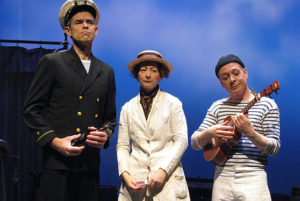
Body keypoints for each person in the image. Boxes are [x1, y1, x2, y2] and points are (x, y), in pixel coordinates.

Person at [22, 0, 116, 201]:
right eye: (79, 22)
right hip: (57, 165)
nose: (85, 26)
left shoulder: (106, 71)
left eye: (90, 22)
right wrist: (54, 141)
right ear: (67, 30)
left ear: (97, 30)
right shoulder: (52, 62)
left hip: (90, 165)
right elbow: (31, 109)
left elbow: (110, 118)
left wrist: (104, 135)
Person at [191, 54, 280, 201]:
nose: (231, 80)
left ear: (245, 73)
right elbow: (195, 143)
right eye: (225, 77)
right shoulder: (217, 107)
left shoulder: (267, 105)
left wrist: (250, 132)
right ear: (221, 83)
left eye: (235, 73)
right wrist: (209, 132)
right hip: (222, 178)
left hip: (253, 177)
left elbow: (274, 148)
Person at [117, 50, 190, 201]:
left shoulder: (173, 103)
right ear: (137, 74)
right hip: (135, 182)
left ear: (161, 75)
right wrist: (125, 173)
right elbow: (123, 146)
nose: (148, 75)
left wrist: (164, 170)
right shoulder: (127, 108)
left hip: (167, 182)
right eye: (143, 70)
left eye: (153, 70)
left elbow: (181, 141)